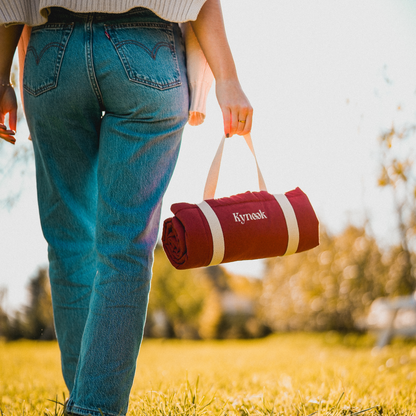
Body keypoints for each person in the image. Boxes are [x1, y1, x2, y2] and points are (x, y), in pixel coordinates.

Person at [0, 1, 252, 415]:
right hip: (148, 53)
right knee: (125, 247)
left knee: (69, 244)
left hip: (53, 55)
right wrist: (227, 79)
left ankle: (84, 401)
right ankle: (94, 408)